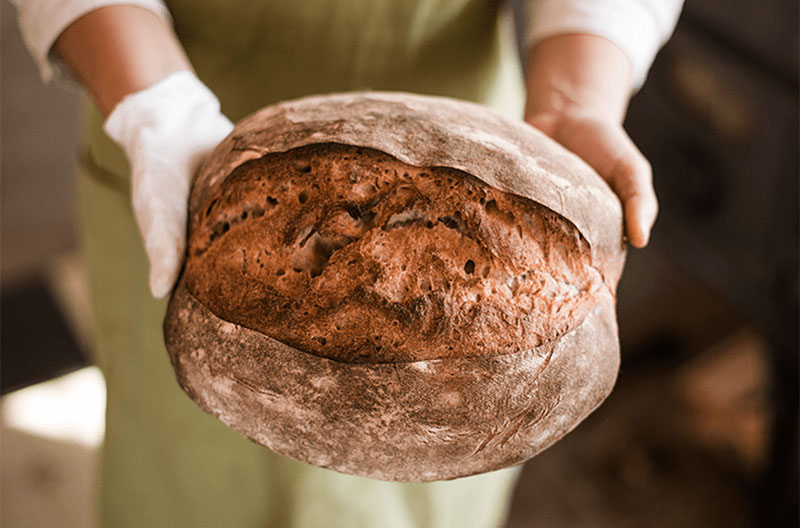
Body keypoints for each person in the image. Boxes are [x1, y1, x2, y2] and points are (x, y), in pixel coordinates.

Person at [14, 1, 683, 526]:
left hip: (485, 151)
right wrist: (157, 112)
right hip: (164, 121)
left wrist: (576, 97)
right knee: (184, 485)